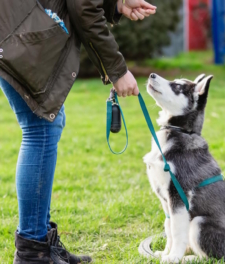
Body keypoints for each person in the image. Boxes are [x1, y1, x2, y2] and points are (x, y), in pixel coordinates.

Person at [0, 0, 156, 263]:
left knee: (47, 125)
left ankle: (40, 243)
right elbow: (83, 7)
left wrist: (114, 5)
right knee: (40, 130)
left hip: (17, 25)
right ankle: (32, 250)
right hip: (16, 29)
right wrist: (117, 70)